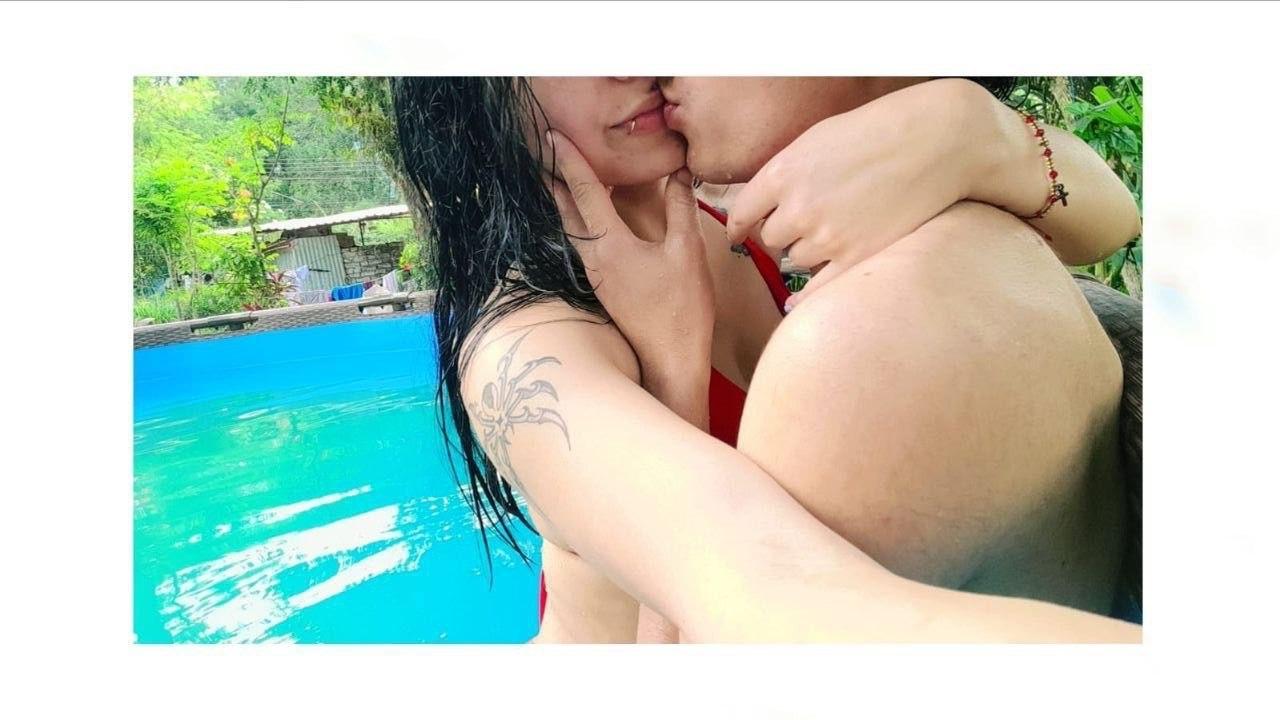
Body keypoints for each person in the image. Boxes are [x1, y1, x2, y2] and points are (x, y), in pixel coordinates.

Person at [391, 77, 1140, 642]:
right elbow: (770, 597)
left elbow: (1115, 220)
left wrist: (970, 130)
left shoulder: (717, 211)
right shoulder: (529, 346)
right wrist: (675, 367)